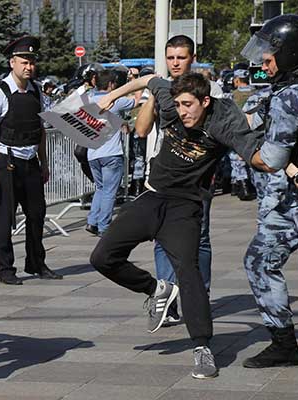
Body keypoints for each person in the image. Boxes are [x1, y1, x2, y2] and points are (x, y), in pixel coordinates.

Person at [92, 72, 261, 379]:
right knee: (101, 258)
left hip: (185, 208)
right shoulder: (170, 103)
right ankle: (156, 288)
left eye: (188, 106)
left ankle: (202, 347)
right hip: (152, 198)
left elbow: (254, 153)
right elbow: (149, 80)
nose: (182, 112)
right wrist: (112, 96)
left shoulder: (222, 123)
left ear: (205, 102)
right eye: (179, 105)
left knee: (188, 269)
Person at [242, 14, 298, 368]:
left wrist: (241, 145)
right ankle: (283, 344)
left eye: (270, 54)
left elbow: (271, 157)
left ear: (291, 54)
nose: (264, 62)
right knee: (260, 260)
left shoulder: (293, 95)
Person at [134, 35, 222, 325]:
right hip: (160, 174)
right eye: (170, 57)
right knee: (161, 238)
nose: (175, 63)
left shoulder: (210, 91)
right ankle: (167, 301)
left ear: (192, 58)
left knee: (200, 239)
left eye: (181, 57)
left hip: (196, 178)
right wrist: (153, 95)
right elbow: (141, 130)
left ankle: (200, 295)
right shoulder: (161, 90)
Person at [0, 36, 62, 285]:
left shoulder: (36, 90)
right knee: (5, 218)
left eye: (32, 62)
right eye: (24, 61)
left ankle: (36, 262)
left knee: (37, 214)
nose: (29, 66)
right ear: (12, 62)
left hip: (30, 162)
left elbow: (39, 130)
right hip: (6, 161)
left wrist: (45, 163)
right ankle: (6, 269)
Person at [85, 70, 135, 237]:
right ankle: (104, 226)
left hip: (92, 153)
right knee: (109, 191)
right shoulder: (115, 102)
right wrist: (134, 80)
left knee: (100, 188)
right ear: (111, 84)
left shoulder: (89, 101)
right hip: (111, 153)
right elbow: (138, 100)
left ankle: (92, 221)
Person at [228, 65, 257, 201]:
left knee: (236, 160)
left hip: (238, 129)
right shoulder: (256, 93)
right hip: (255, 130)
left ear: (237, 79)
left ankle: (242, 186)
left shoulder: (233, 95)